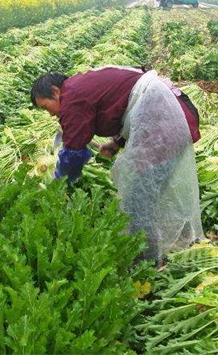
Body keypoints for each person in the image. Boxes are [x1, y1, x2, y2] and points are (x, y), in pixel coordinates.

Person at [30, 66, 204, 262]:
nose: (51, 115)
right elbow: (126, 104)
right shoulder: (79, 87)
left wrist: (58, 184)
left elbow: (74, 151)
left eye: (46, 107)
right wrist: (117, 142)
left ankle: (147, 258)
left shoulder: (72, 96)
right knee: (147, 191)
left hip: (165, 119)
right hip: (169, 113)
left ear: (55, 92)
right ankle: (159, 247)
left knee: (138, 196)